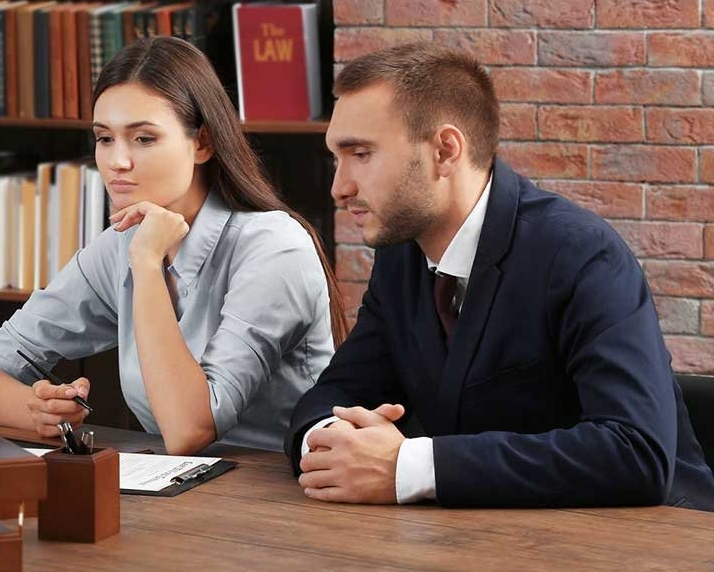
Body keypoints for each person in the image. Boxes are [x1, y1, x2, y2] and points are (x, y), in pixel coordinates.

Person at [288, 43, 714, 511]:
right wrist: (337, 445)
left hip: (658, 553)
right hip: (489, 546)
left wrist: (408, 466)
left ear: (445, 151)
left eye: (362, 154)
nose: (339, 187)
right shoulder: (401, 258)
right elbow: (330, 397)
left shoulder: (581, 253)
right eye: (336, 158)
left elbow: (637, 452)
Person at [0, 36, 346, 455]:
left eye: (143, 139)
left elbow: (189, 429)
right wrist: (33, 408)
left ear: (202, 143)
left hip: (287, 499)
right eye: (104, 139)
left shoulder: (274, 248)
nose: (117, 162)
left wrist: (145, 261)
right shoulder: (119, 247)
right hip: (178, 495)